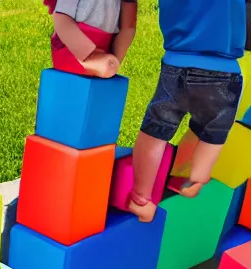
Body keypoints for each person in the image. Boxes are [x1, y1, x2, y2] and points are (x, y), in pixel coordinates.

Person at [128, 0, 246, 222]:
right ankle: (196, 179)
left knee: (156, 130)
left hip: (179, 64)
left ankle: (141, 198)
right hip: (227, 72)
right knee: (214, 131)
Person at [44, 0, 137, 78]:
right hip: (70, 48)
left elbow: (128, 27)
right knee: (107, 67)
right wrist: (88, 54)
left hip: (103, 51)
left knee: (109, 66)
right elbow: (62, 18)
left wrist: (116, 57)